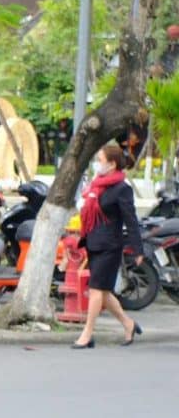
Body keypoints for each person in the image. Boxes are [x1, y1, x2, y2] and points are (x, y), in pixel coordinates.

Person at [73, 142, 143, 349]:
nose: (97, 164)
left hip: (110, 246)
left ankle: (87, 334)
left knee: (96, 291)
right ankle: (128, 324)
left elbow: (131, 220)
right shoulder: (97, 185)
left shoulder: (122, 189)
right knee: (103, 293)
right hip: (93, 243)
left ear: (112, 164)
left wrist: (137, 249)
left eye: (100, 160)